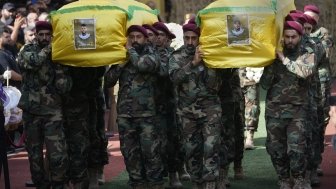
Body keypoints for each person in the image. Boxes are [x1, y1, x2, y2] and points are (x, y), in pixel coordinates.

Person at [104, 25, 163, 189]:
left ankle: (155, 183)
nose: (135, 40)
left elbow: (143, 66)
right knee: (130, 153)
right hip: (125, 115)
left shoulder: (152, 54)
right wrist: (121, 64)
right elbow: (108, 81)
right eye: (132, 37)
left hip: (146, 115)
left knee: (151, 152)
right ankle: (137, 183)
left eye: (138, 37)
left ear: (145, 39)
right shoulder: (122, 58)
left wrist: (130, 52)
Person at [260, 20, 315, 189]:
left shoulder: (306, 53)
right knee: (276, 148)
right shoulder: (275, 56)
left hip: (297, 111)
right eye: (287, 37)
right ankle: (283, 177)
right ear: (282, 37)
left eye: (294, 37)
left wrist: (284, 60)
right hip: (274, 110)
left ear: (300, 37)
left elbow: (305, 72)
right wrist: (271, 62)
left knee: (297, 148)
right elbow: (264, 84)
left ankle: (299, 178)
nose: (290, 40)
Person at [168, 19, 222, 189]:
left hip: (210, 109)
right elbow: (174, 78)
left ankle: (211, 182)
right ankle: (197, 182)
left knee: (211, 147)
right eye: (187, 38)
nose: (190, 42)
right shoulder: (177, 56)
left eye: (193, 38)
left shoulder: (211, 55)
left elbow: (217, 84)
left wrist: (207, 62)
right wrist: (193, 64)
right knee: (191, 150)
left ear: (200, 38)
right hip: (187, 112)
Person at [17, 21, 71, 189]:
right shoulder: (27, 50)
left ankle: (58, 184)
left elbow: (65, 86)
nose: (45, 38)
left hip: (52, 111)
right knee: (34, 154)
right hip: (32, 111)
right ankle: (40, 184)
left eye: (48, 35)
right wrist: (51, 49)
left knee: (57, 153)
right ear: (36, 35)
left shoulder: (58, 55)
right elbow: (34, 62)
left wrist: (60, 66)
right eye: (41, 35)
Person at [152, 21, 187, 188]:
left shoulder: (171, 54)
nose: (158, 38)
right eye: (155, 35)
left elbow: (164, 73)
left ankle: (175, 173)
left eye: (161, 35)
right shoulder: (148, 53)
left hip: (168, 104)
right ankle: (158, 175)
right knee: (154, 143)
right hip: (149, 107)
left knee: (172, 141)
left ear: (167, 39)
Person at [304, 4, 333, 177]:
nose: (309, 22)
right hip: (302, 87)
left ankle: (315, 162)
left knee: (319, 120)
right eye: (306, 18)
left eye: (312, 19)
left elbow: (322, 55)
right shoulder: (298, 33)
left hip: (319, 81)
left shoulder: (322, 34)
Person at [218, 68, 245, 188]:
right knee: (225, 135)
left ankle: (238, 165)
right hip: (221, 98)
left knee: (238, 133)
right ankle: (223, 172)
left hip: (236, 97)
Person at [239, 67, 262, 150]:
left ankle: (249, 137)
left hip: (251, 74)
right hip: (234, 75)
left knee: (252, 109)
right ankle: (238, 137)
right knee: (235, 107)